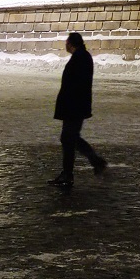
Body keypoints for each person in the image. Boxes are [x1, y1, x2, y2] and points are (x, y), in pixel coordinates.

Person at [51, 31, 107, 186]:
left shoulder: (80, 58)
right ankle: (91, 163)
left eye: (67, 42)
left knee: (69, 138)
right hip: (75, 106)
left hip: (74, 106)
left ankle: (72, 172)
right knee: (70, 138)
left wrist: (68, 104)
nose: (65, 45)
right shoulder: (82, 56)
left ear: (71, 43)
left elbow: (76, 85)